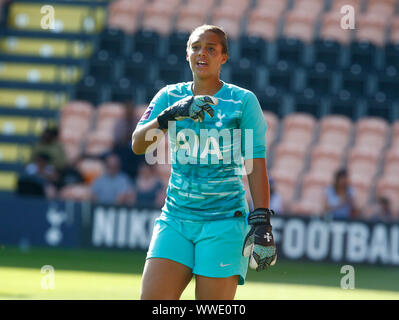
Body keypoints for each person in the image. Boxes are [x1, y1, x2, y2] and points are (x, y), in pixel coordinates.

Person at [131, 25, 277, 300]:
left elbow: (255, 165)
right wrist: (170, 116)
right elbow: (139, 145)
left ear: (224, 57)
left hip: (224, 223)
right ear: (187, 54)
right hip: (174, 220)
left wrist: (262, 221)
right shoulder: (169, 97)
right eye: (196, 47)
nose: (202, 53)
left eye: (211, 48)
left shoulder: (243, 101)